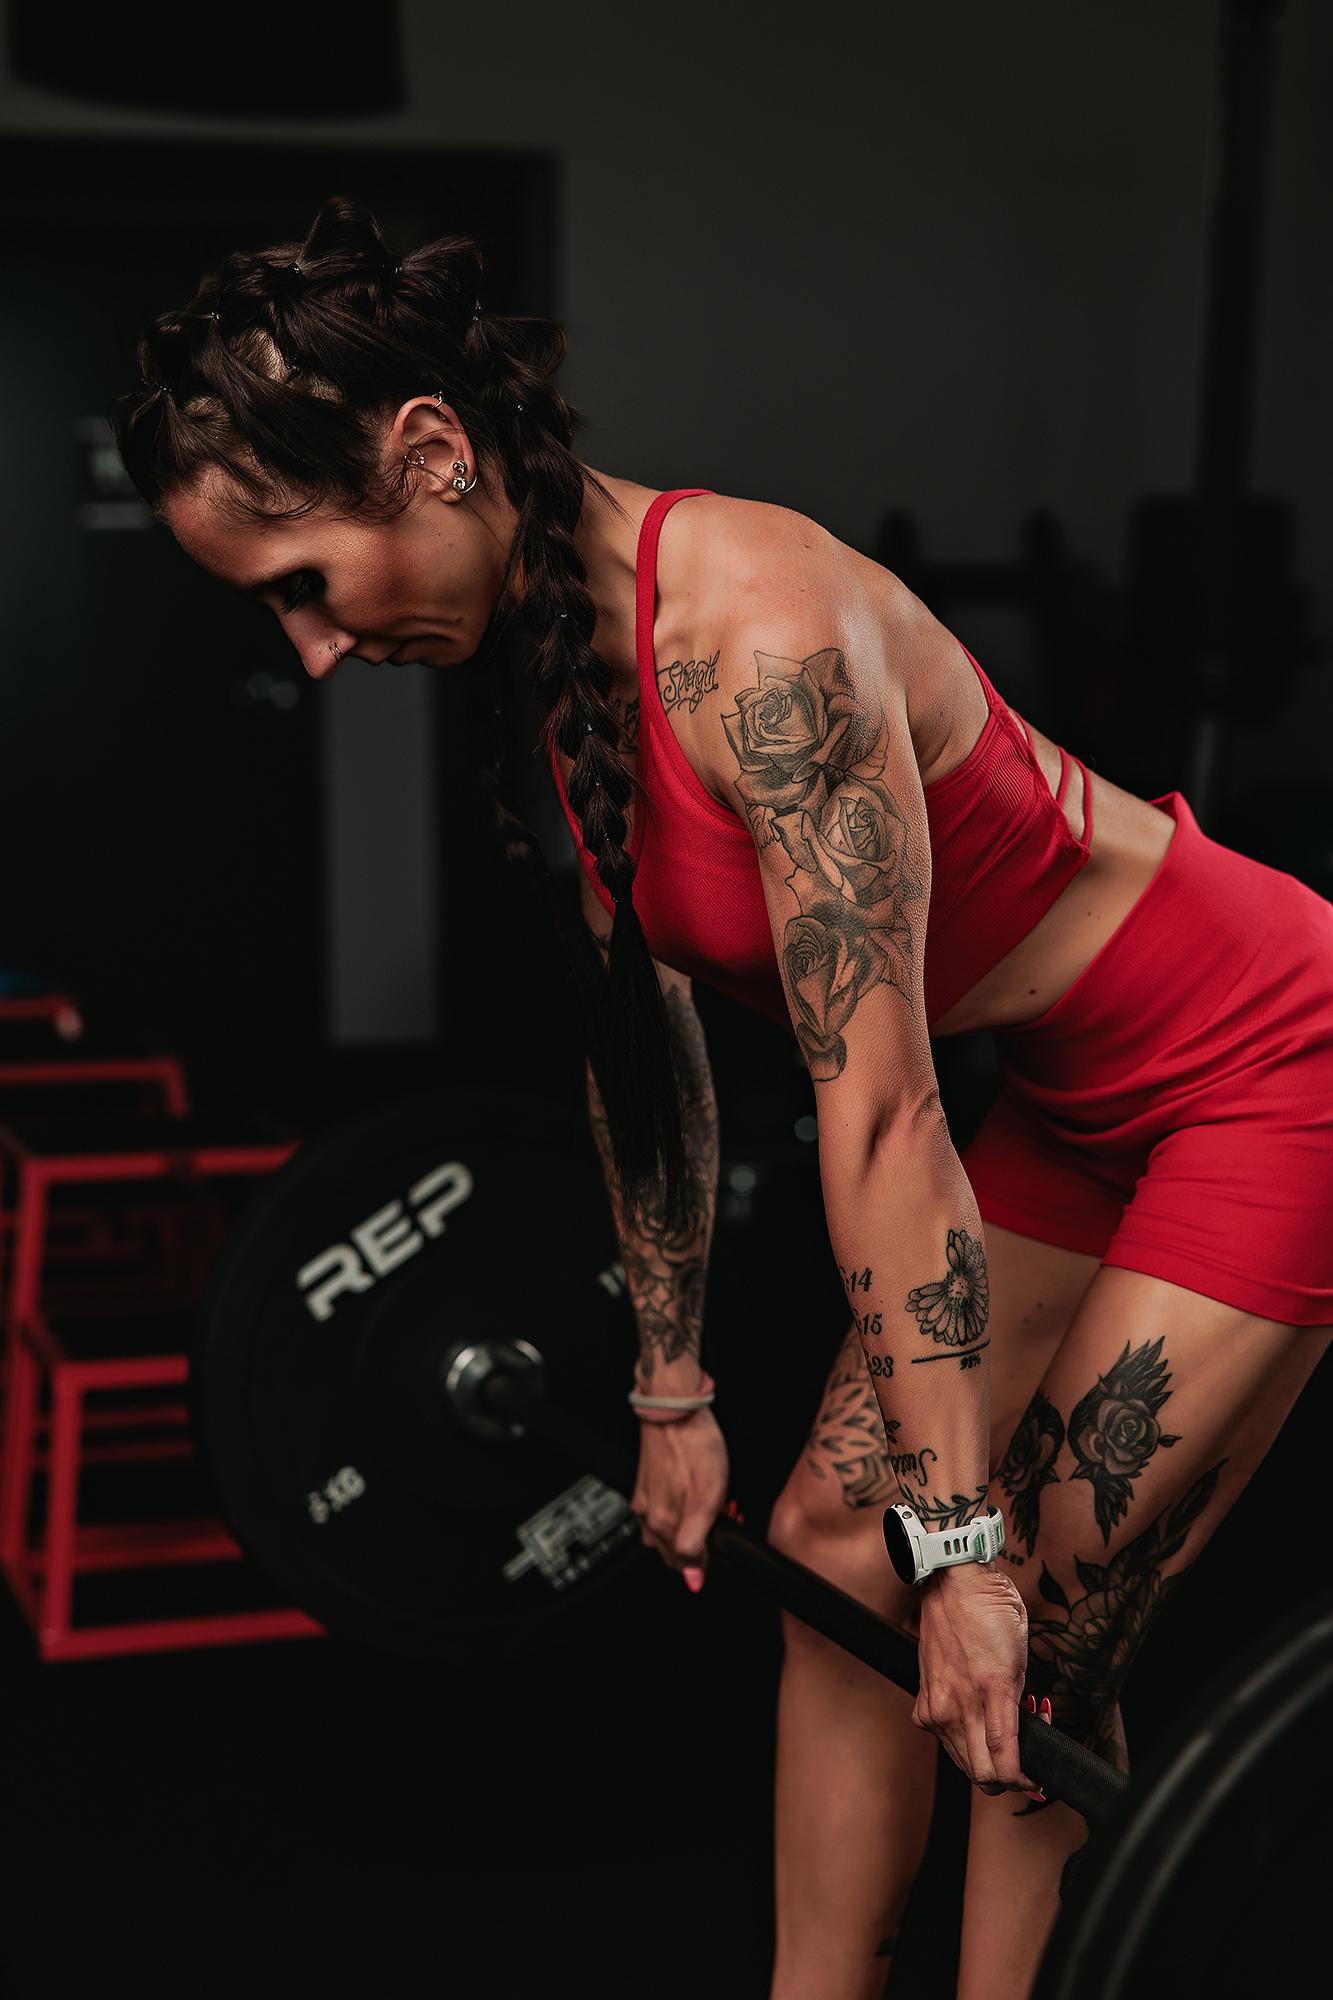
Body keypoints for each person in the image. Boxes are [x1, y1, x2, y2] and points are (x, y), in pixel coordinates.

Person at [112, 197, 1333, 2000]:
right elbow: (642, 1041)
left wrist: (971, 1552)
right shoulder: (549, 680)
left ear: (431, 454)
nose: (306, 650)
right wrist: (669, 1379)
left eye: (302, 583)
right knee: (845, 1550)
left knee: (1039, 1608)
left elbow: (883, 1116)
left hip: (1267, 1064)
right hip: (1076, 1099)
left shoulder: (764, 645)